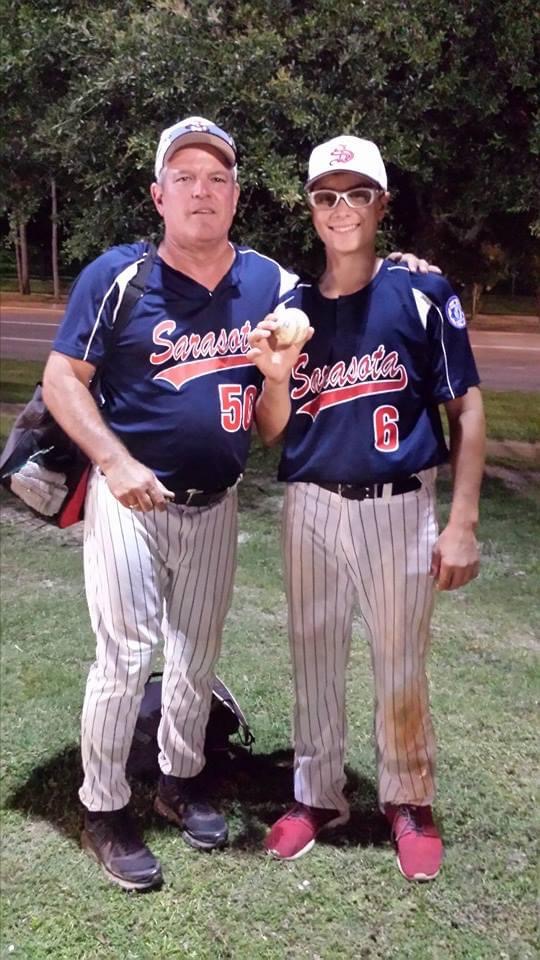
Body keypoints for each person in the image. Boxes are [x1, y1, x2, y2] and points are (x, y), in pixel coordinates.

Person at [43, 116, 435, 892]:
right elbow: (63, 380)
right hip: (132, 498)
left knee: (195, 658)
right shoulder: (117, 278)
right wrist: (112, 460)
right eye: (184, 177)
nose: (201, 190)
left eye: (217, 177)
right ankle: (103, 805)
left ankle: (179, 781)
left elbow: (335, 303)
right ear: (158, 195)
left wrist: (401, 266)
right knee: (124, 657)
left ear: (236, 195)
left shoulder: (268, 282)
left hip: (214, 503)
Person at [248, 135, 485, 881]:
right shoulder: (290, 307)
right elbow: (271, 431)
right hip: (311, 502)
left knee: (399, 662)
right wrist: (277, 376)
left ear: (382, 204)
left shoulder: (422, 292)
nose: (341, 208)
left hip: (397, 504)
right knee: (312, 654)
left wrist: (463, 521)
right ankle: (316, 795)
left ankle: (408, 798)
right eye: (327, 196)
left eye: (357, 193)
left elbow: (467, 410)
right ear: (311, 210)